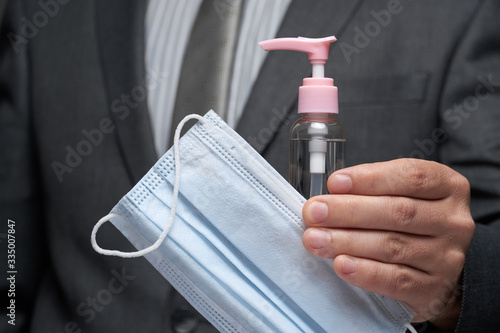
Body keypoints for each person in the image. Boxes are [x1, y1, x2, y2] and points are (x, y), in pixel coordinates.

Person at [1, 0, 499, 332]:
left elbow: (483, 242)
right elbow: (9, 248)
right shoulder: (47, 13)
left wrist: (455, 286)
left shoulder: (456, 10)